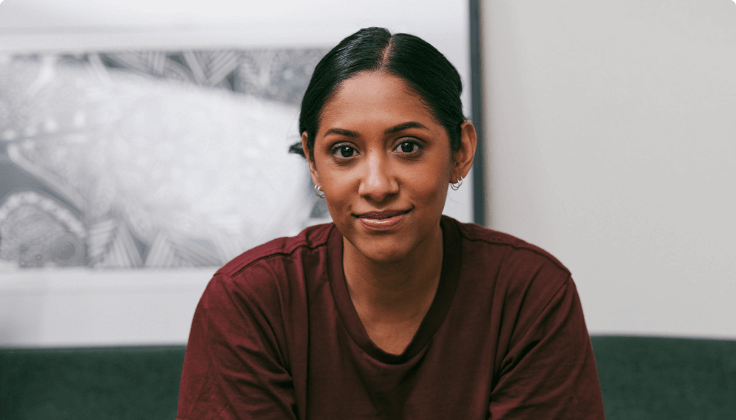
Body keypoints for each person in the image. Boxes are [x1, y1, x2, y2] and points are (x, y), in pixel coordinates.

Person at [176, 27, 605, 419]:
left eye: (408, 146)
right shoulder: (249, 302)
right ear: (312, 162)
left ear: (460, 151)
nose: (377, 185)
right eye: (345, 152)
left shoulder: (529, 294)